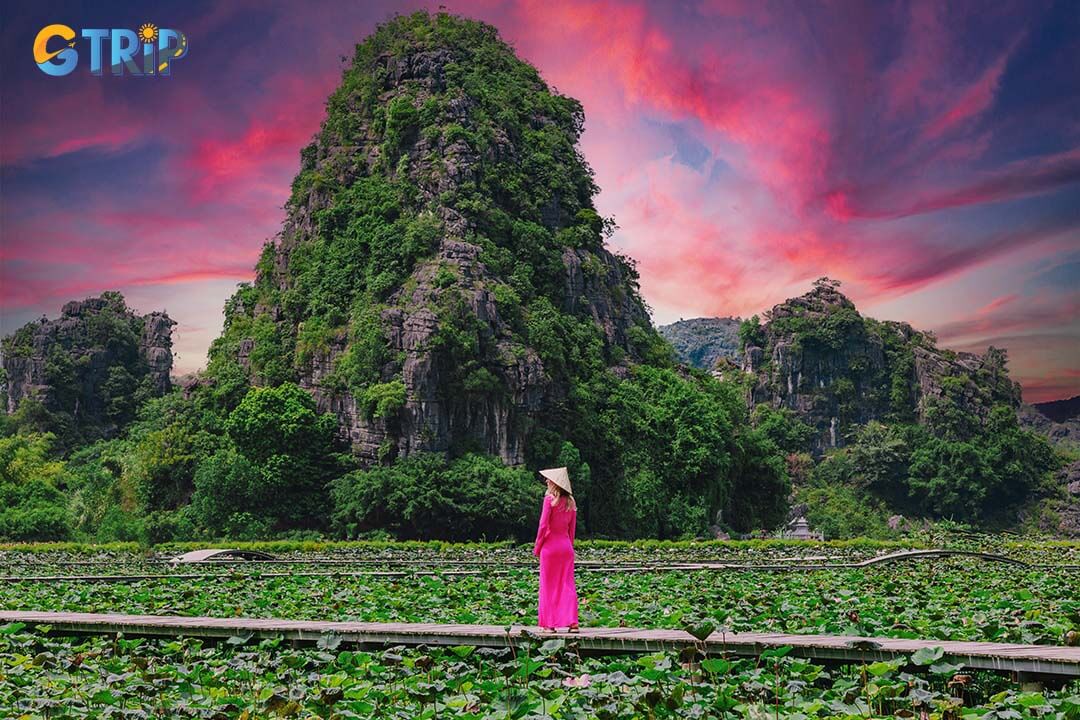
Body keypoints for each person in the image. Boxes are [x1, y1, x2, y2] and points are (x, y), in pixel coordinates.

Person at [533, 466, 579, 633]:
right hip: (566, 548)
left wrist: (537, 547)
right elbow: (571, 531)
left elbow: (543, 526)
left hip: (550, 548)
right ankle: (573, 623)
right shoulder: (571, 503)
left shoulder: (548, 501)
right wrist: (570, 548)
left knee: (548, 585)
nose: (546, 481)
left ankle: (549, 625)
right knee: (567, 584)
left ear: (555, 483)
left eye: (548, 479)